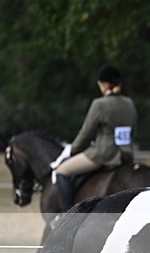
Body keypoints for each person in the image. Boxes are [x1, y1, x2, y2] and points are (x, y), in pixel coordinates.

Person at [52, 64, 137, 211]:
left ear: (104, 84)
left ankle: (68, 218)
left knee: (62, 171)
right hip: (126, 154)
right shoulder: (129, 103)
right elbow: (133, 131)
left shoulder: (99, 104)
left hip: (103, 154)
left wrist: (72, 150)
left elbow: (86, 133)